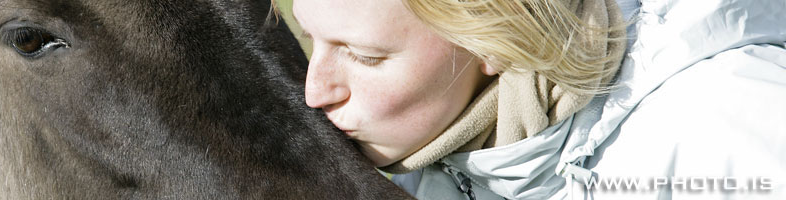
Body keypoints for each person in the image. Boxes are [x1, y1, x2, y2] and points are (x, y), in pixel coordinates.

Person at [291, 0, 786, 199]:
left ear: (492, 38)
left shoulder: (742, 133)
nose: (315, 92)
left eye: (363, 56)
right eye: (311, 40)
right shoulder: (436, 152)